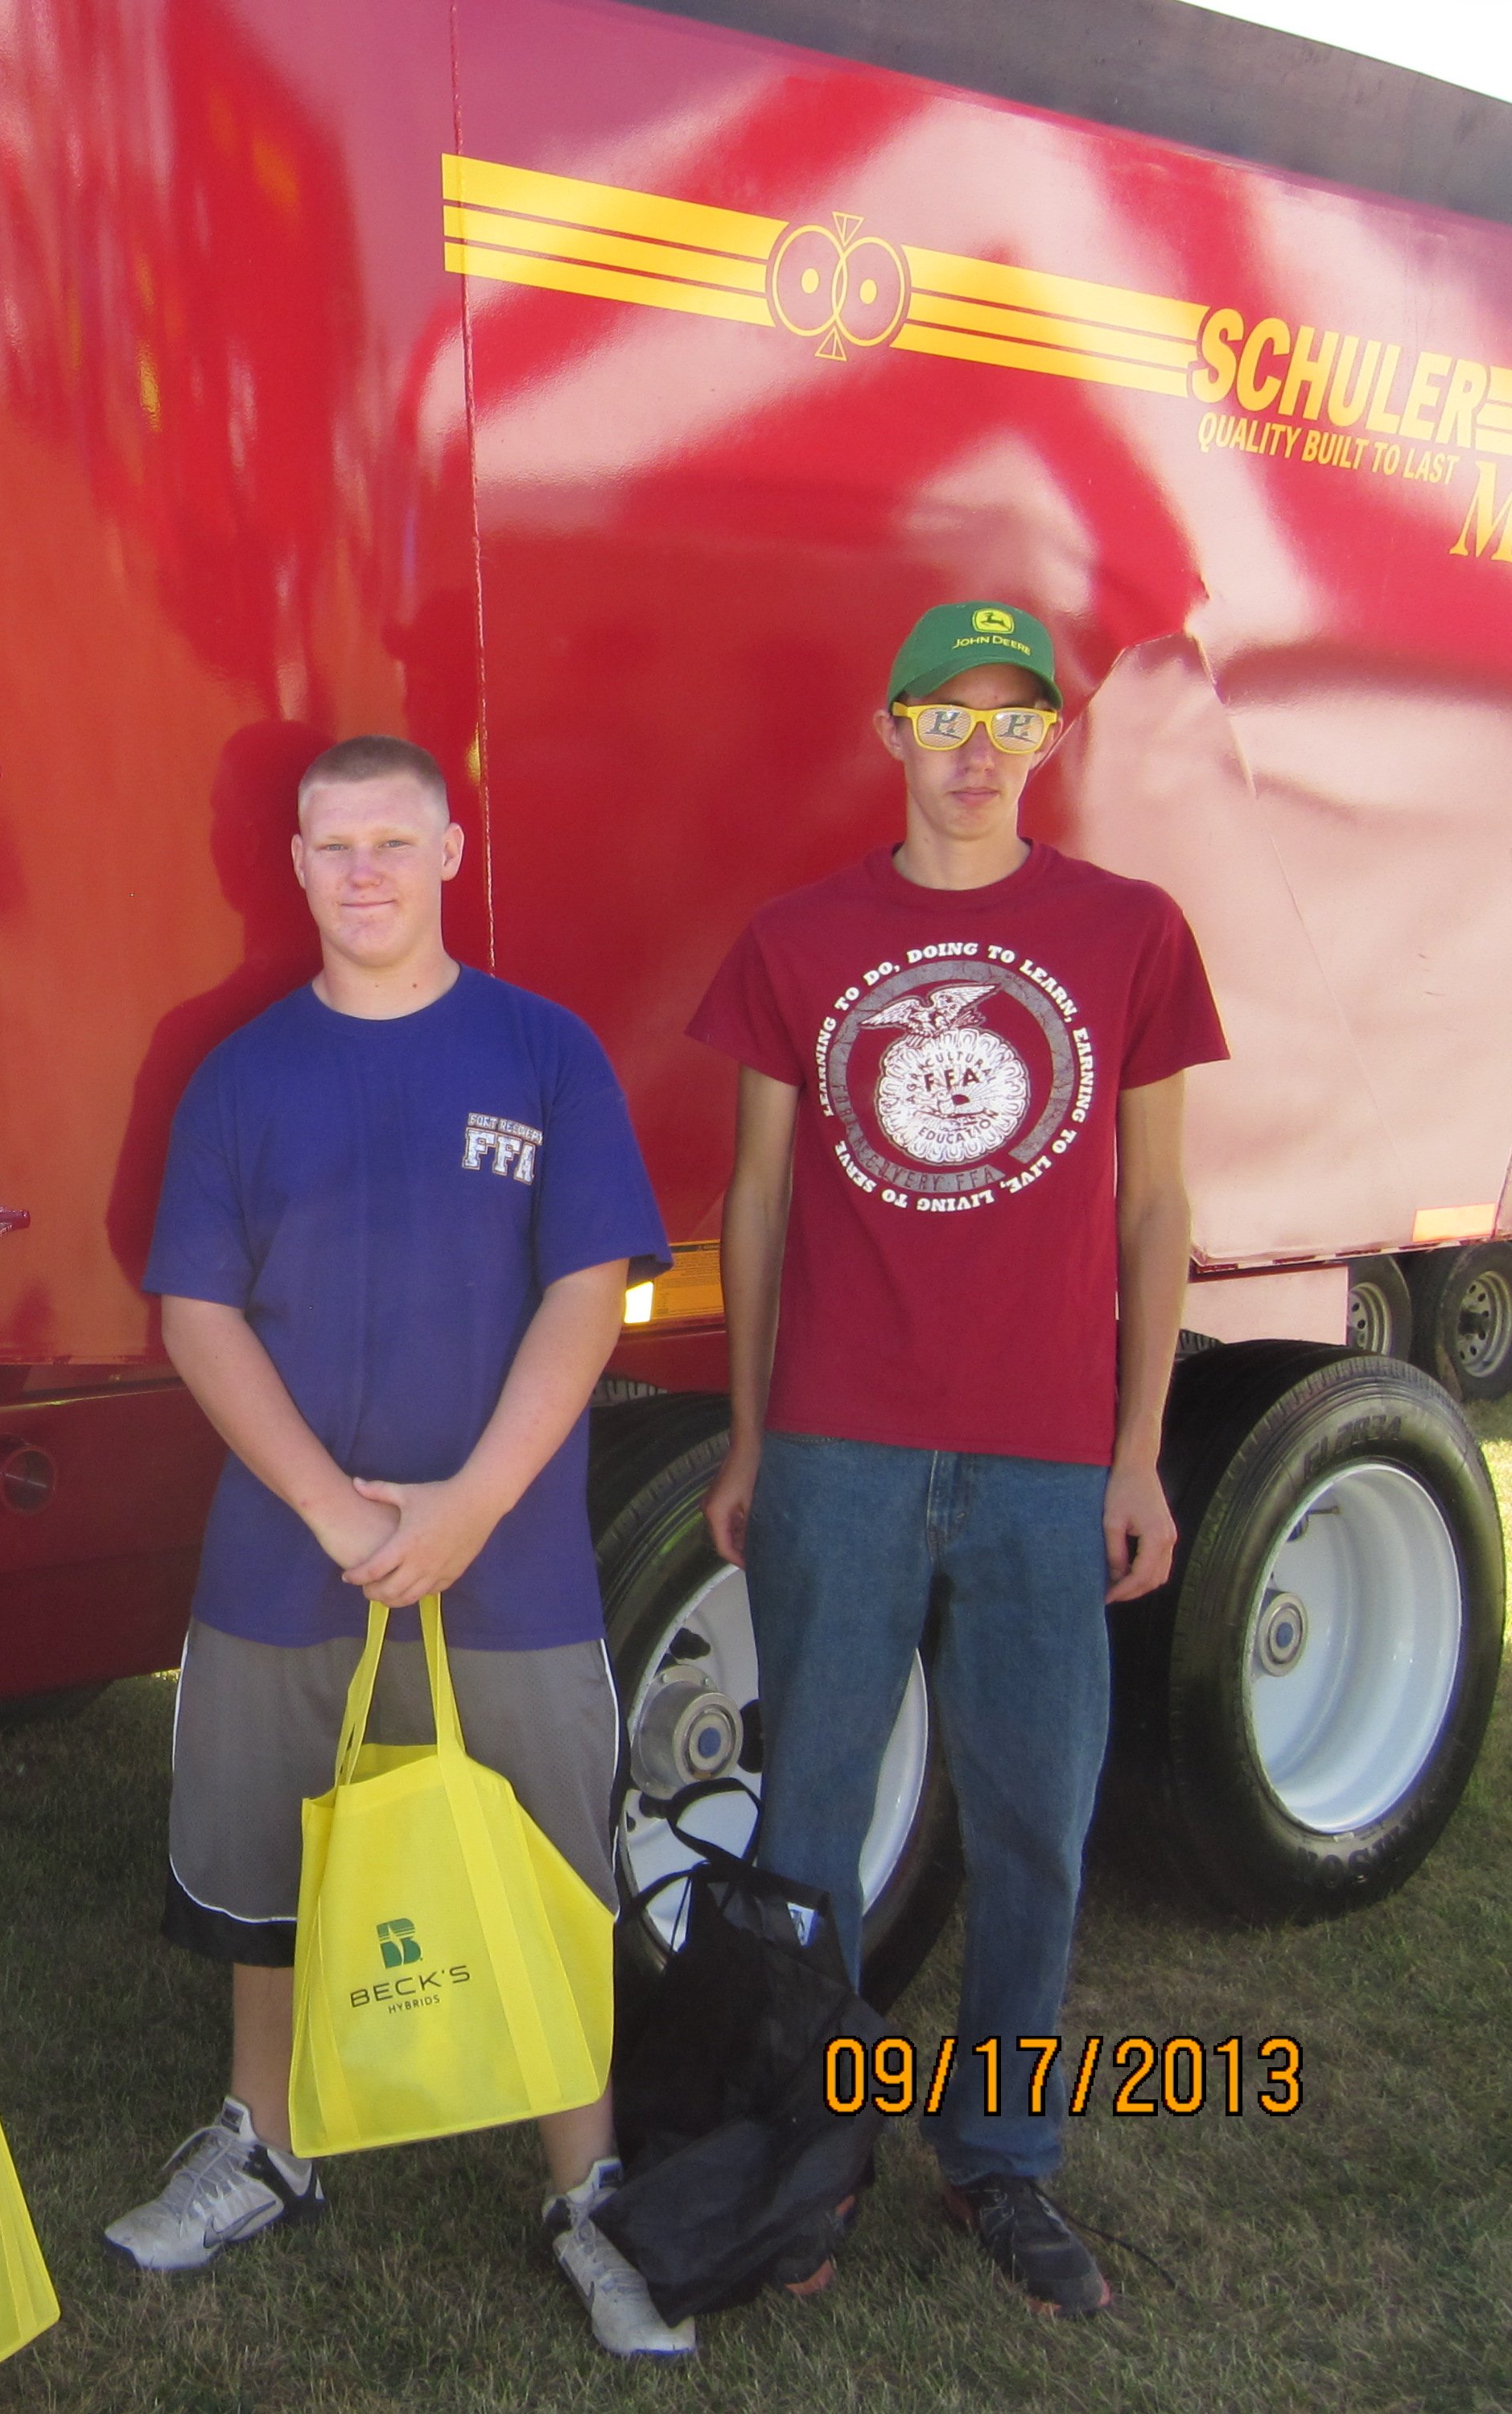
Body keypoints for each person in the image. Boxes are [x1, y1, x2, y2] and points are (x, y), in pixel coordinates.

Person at [110, 734, 689, 2359]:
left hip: (500, 1557)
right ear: (291, 868)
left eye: (389, 840)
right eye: (328, 846)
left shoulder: (543, 1054)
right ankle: (263, 2140)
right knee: (264, 1859)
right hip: (285, 1550)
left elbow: (591, 1293)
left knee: (550, 1870)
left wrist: (468, 1506)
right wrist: (333, 1509)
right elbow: (196, 1311)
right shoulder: (240, 1075)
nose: (359, 872)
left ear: (447, 850)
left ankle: (584, 2185)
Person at [691, 600, 1226, 2317]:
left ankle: (999, 2162)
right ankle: (806, 2156)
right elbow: (756, 1195)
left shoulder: (1127, 934)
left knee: (1032, 1826)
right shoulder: (797, 938)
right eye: (945, 714)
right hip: (840, 1449)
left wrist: (1135, 1455)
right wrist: (752, 1430)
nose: (976, 747)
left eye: (1012, 719)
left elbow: (1153, 1202)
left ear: (1050, 743)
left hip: (1041, 1463)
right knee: (810, 1827)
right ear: (890, 729)